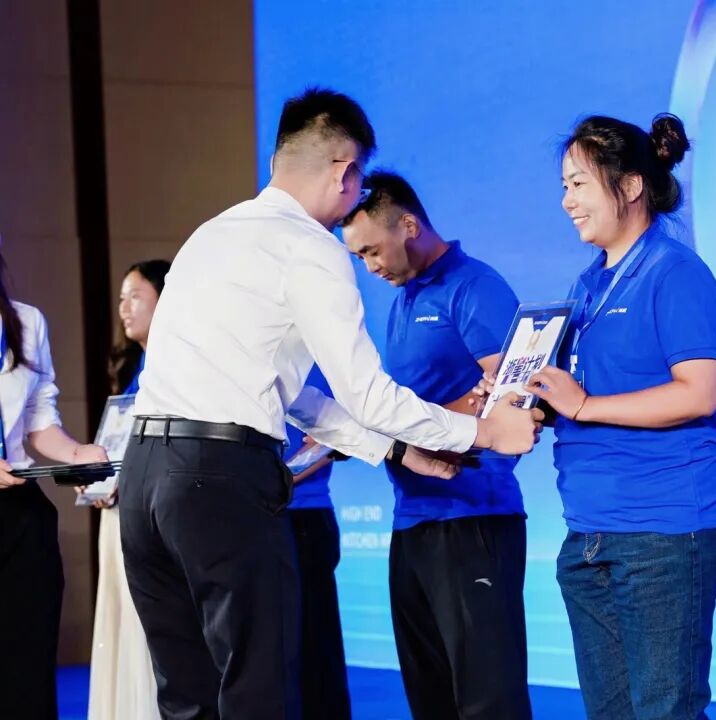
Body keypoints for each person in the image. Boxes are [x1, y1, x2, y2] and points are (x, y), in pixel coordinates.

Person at [117, 87, 541, 719]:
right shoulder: (309, 245)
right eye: (359, 180)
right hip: (218, 482)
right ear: (346, 172)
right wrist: (482, 433)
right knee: (256, 693)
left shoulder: (210, 234)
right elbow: (365, 393)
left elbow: (293, 395)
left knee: (186, 698)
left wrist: (397, 450)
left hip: (143, 478)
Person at [521, 114, 716, 719]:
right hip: (589, 533)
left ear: (632, 185)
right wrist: (531, 396)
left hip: (663, 535)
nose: (566, 201)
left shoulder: (675, 273)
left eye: (579, 184)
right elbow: (588, 393)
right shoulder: (588, 283)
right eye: (564, 187)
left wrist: (584, 405)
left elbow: (697, 393)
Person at [342, 170, 531, 719]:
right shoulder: (406, 297)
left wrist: (429, 423)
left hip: (473, 520)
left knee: (488, 704)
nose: (370, 267)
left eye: (372, 251)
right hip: (412, 521)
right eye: (359, 257)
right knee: (431, 701)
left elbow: (515, 396)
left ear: (408, 226)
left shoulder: (475, 287)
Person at [0, 240, 109, 720]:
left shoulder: (25, 322)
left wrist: (77, 454)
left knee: (27, 667)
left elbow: (39, 417)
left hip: (19, 512)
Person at [86, 259, 170, 720]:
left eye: (135, 296)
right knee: (121, 621)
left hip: (153, 512)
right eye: (121, 298)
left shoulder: (177, 365)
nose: (124, 308)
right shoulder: (135, 367)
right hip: (119, 509)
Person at [284, 364, 351, 720]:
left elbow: (334, 438)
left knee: (314, 653)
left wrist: (271, 480)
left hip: (302, 517)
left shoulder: (310, 358)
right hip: (254, 519)